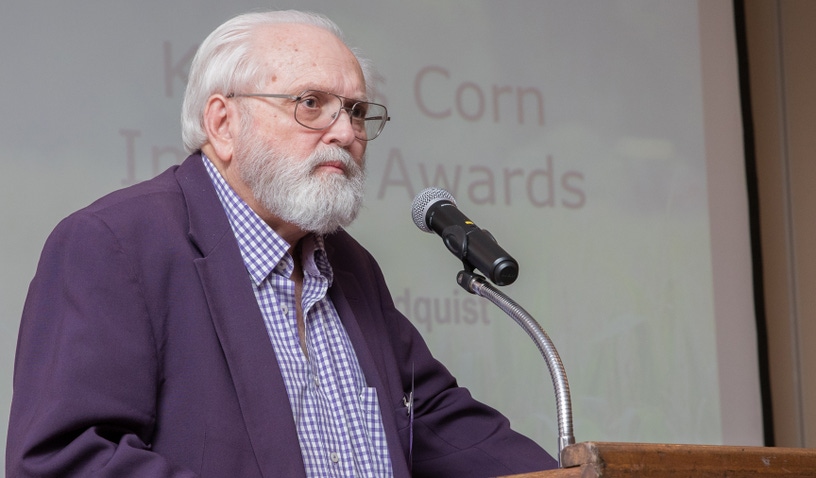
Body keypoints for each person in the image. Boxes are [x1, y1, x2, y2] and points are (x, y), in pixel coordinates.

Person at [6, 10, 557, 478]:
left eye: (358, 111)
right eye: (311, 103)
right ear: (223, 122)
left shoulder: (351, 265)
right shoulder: (115, 245)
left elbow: (440, 423)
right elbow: (67, 459)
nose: (346, 133)